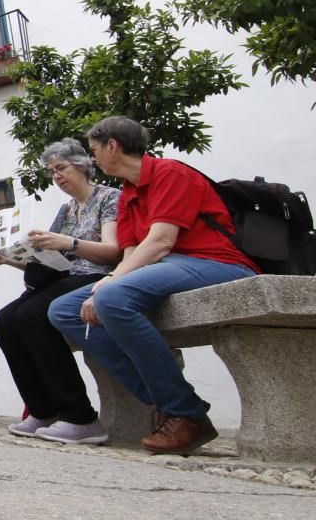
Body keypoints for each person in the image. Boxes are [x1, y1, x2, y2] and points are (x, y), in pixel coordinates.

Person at [49, 116, 259, 455]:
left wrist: (112, 282)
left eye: (94, 150)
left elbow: (161, 241)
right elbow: (131, 251)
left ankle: (183, 413)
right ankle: (169, 399)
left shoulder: (169, 173)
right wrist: (108, 280)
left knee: (112, 297)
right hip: (167, 265)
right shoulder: (129, 193)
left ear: (113, 147)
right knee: (64, 310)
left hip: (215, 262)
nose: (93, 159)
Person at [0, 138, 120, 444]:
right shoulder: (66, 210)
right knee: (4, 321)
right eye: (52, 171)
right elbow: (52, 262)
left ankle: (81, 417)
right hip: (64, 278)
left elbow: (112, 252)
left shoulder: (109, 198)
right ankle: (42, 409)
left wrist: (69, 243)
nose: (57, 176)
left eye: (61, 168)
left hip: (96, 277)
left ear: (82, 165)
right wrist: (9, 259)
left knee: (33, 316)